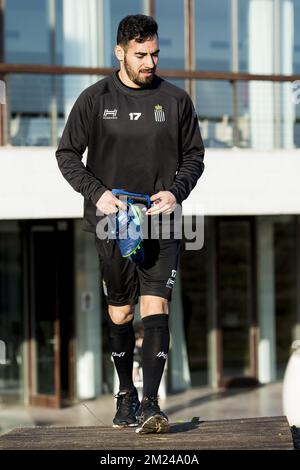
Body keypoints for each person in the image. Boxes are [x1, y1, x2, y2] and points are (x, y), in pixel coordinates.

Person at [56, 14, 204, 434]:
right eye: (141, 55)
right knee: (120, 312)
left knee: (155, 305)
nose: (150, 62)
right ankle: (126, 394)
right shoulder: (94, 98)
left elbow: (195, 156)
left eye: (155, 53)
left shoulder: (176, 101)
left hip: (163, 220)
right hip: (112, 225)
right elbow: (67, 154)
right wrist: (97, 192)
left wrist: (176, 191)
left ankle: (153, 405)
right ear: (120, 52)